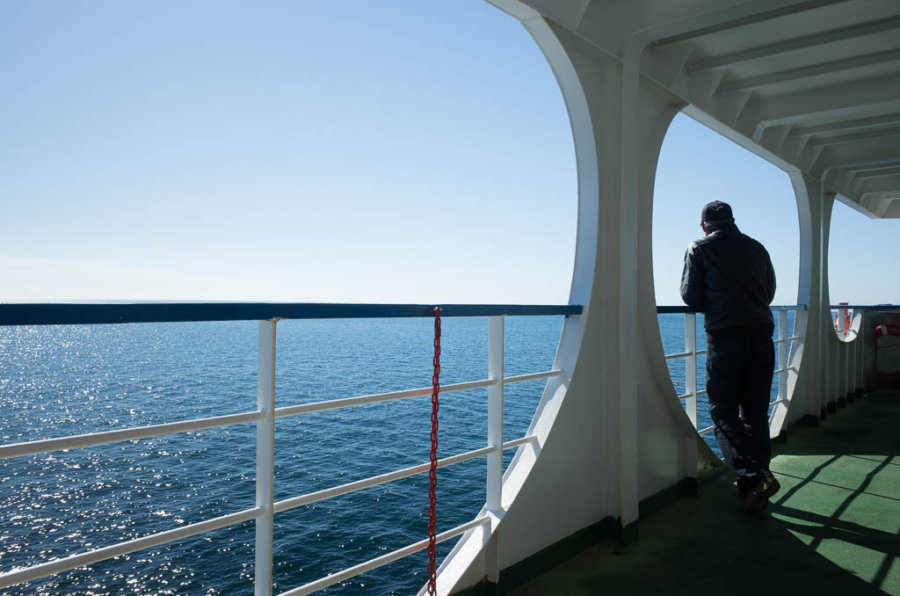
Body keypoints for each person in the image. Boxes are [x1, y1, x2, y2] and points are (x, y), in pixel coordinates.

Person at [680, 201, 780, 514]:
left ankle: (756, 476)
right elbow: (770, 290)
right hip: (762, 335)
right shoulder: (757, 247)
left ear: (703, 225)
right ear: (733, 221)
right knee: (755, 412)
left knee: (722, 411)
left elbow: (690, 296)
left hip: (726, 337)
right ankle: (754, 488)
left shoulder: (699, 248)